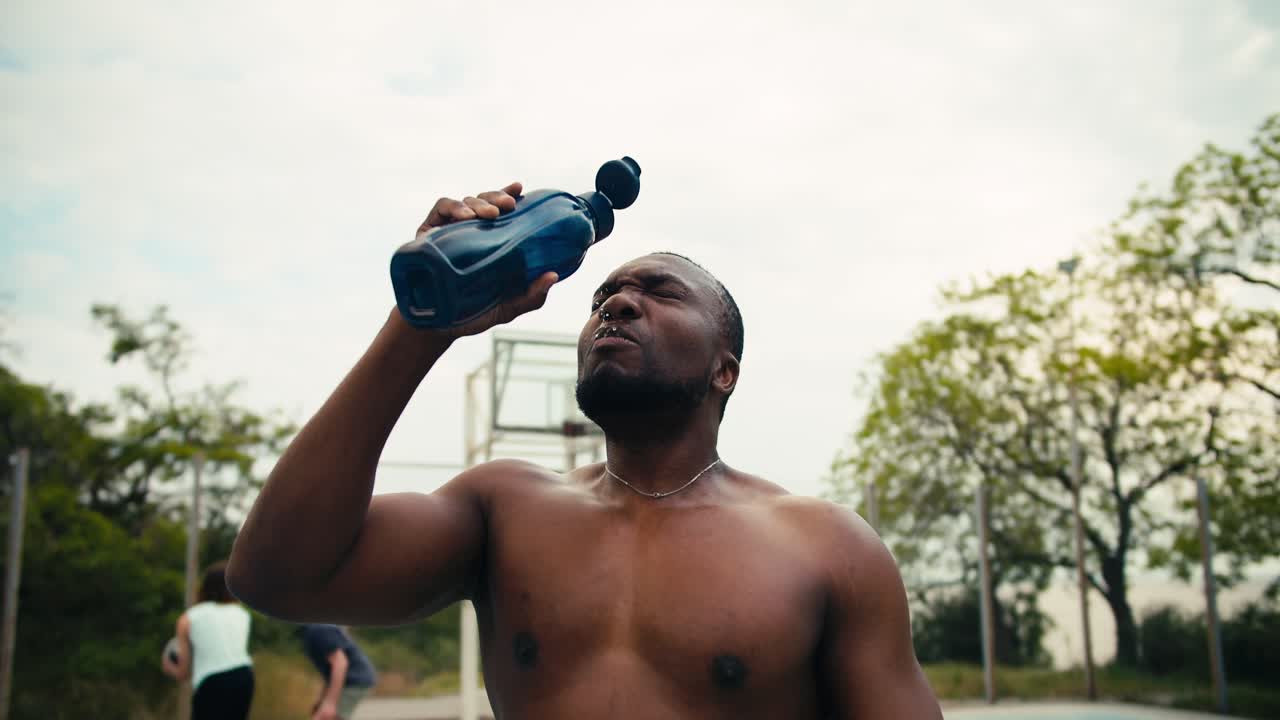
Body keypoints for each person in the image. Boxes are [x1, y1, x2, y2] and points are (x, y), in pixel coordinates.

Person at [227, 180, 942, 719]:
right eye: (603, 296)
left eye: (659, 293)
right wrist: (420, 328)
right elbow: (272, 576)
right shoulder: (504, 510)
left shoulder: (827, 548)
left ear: (724, 369)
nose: (618, 305)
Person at [162, 561, 255, 720]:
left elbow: (183, 673)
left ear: (204, 587)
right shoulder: (242, 615)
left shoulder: (188, 619)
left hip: (212, 683)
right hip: (244, 677)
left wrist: (168, 665)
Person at [298, 624, 378, 720]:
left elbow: (340, 663)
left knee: (328, 716)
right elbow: (330, 672)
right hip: (353, 679)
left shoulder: (319, 629)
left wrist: (330, 702)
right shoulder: (316, 628)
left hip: (353, 680)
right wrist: (323, 699)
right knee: (322, 714)